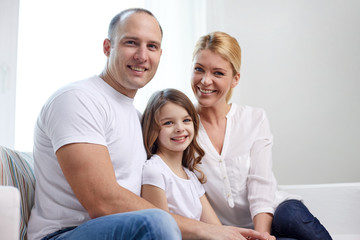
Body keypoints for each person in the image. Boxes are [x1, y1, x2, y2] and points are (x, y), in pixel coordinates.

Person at [27, 8, 266, 240]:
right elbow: (102, 202)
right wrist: (206, 230)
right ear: (107, 47)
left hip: (131, 229)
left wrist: (221, 230)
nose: (142, 55)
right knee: (159, 221)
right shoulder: (78, 99)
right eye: (131, 42)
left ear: (160, 54)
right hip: (66, 232)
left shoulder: (138, 116)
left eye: (151, 46)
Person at [190, 31, 333, 240]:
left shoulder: (254, 118)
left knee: (293, 217)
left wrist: (260, 235)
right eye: (199, 69)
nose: (205, 81)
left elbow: (261, 184)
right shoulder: (182, 127)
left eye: (218, 73)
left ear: (235, 79)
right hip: (230, 230)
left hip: (272, 213)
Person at [141, 88, 221, 224]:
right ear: (153, 128)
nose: (180, 128)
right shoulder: (154, 171)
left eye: (186, 120)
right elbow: (161, 229)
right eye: (168, 123)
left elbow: (216, 228)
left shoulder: (191, 176)